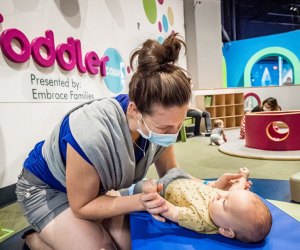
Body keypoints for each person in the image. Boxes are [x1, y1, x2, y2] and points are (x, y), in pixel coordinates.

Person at [15, 33, 250, 250]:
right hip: (47, 191)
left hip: (96, 191)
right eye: (166, 127)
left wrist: (210, 188)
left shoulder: (158, 122)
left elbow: (171, 174)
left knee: (129, 244)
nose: (173, 133)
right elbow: (82, 206)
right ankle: (36, 239)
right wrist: (140, 201)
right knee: (104, 248)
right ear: (134, 109)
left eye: (178, 124)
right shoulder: (92, 132)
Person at [138, 167, 272, 243]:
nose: (221, 195)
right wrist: (243, 176)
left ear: (226, 231)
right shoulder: (227, 203)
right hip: (183, 177)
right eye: (226, 195)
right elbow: (235, 190)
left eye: (224, 202)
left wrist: (153, 195)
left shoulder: (200, 220)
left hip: (164, 188)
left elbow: (172, 211)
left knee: (139, 187)